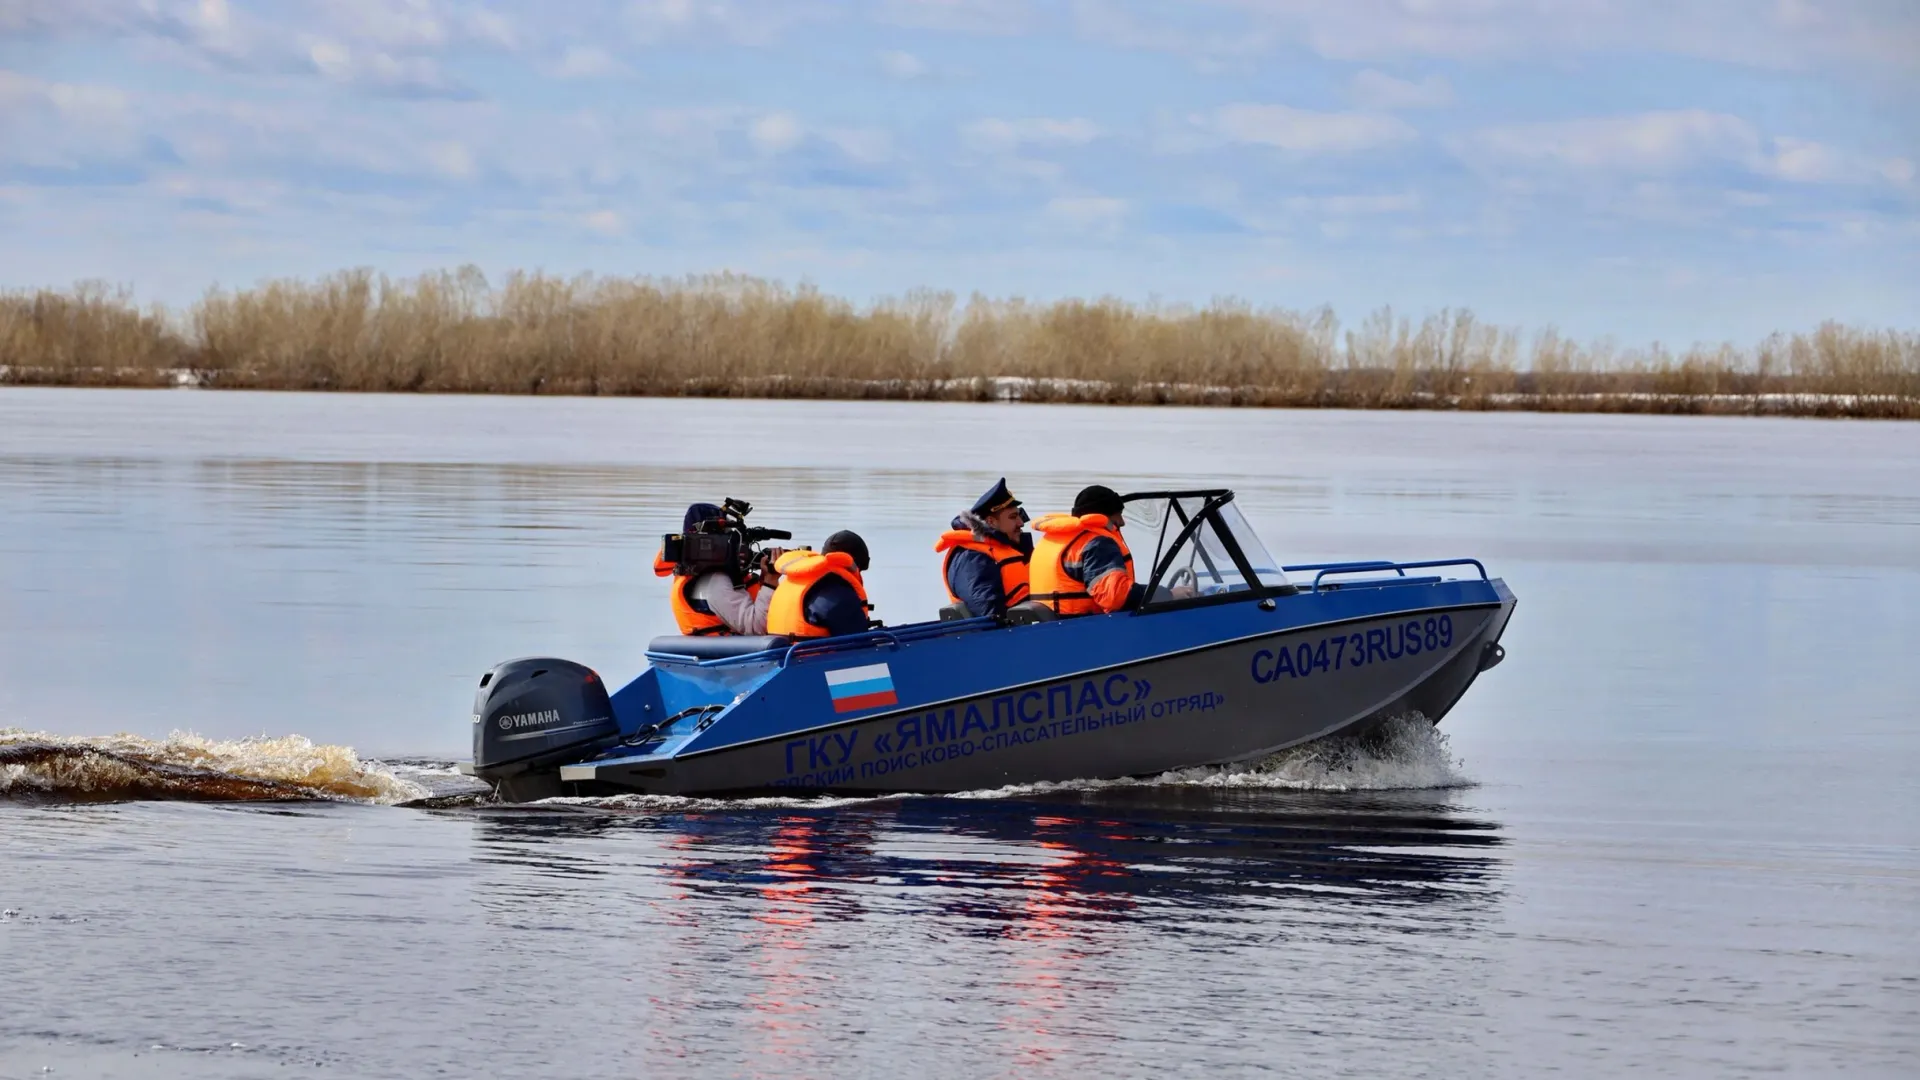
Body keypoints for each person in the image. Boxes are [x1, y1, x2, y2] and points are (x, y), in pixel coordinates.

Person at [654, 502, 783, 636]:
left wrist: (764, 580)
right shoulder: (715, 582)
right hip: (729, 655)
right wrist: (770, 581)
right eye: (729, 536)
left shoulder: (698, 574)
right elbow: (757, 628)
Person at [1029, 484, 1142, 616]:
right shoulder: (1097, 544)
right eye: (1118, 515)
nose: (1122, 522)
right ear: (1103, 517)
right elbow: (1115, 598)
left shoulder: (1050, 540)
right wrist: (1161, 594)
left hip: (1052, 627)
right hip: (1085, 629)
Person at [934, 477, 1033, 619]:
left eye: (1019, 516)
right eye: (1013, 517)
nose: (1021, 523)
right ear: (991, 522)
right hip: (1001, 637)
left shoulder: (1010, 548)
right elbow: (988, 612)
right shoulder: (972, 557)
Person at [767, 531, 874, 638]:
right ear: (852, 564)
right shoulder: (838, 593)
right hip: (813, 654)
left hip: (782, 652)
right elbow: (858, 641)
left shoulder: (793, 580)